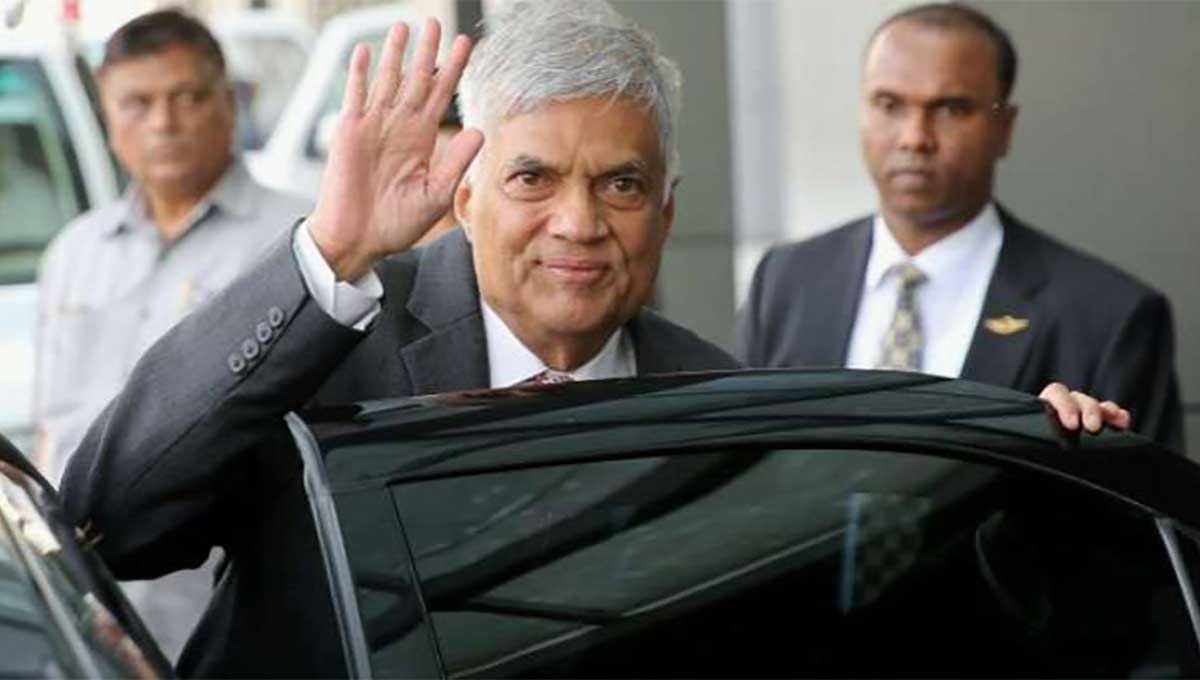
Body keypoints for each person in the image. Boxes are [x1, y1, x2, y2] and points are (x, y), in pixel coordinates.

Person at [60, 3, 1125, 676]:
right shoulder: (335, 334)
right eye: (533, 177)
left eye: (620, 183)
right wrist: (330, 250)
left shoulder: (715, 395)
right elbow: (113, 516)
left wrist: (1034, 457)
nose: (578, 223)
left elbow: (852, 606)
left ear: (666, 211)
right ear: (464, 194)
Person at [737, 2, 1183, 453]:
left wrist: (1074, 448)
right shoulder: (787, 281)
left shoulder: (1108, 317)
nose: (915, 137)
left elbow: (1152, 495)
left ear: (1004, 128)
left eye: (950, 109)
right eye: (889, 105)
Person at [33, 8, 310, 659]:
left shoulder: (300, 243)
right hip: (78, 613)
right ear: (108, 117)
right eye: (137, 103)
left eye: (186, 97)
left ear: (229, 103)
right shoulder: (74, 252)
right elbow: (51, 429)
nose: (163, 122)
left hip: (226, 611)